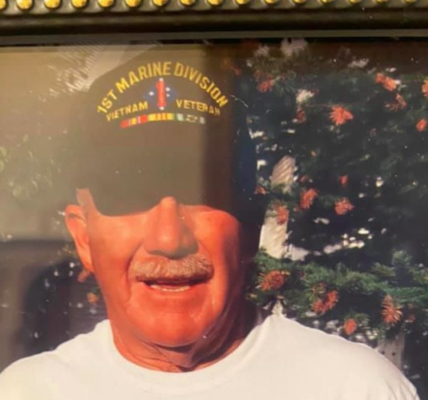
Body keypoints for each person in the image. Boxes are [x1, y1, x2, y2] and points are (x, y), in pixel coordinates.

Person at [0, 44, 420, 400]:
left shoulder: (356, 389)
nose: (169, 238)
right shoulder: (27, 392)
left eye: (203, 196)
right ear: (83, 237)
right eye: (130, 196)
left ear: (251, 227)